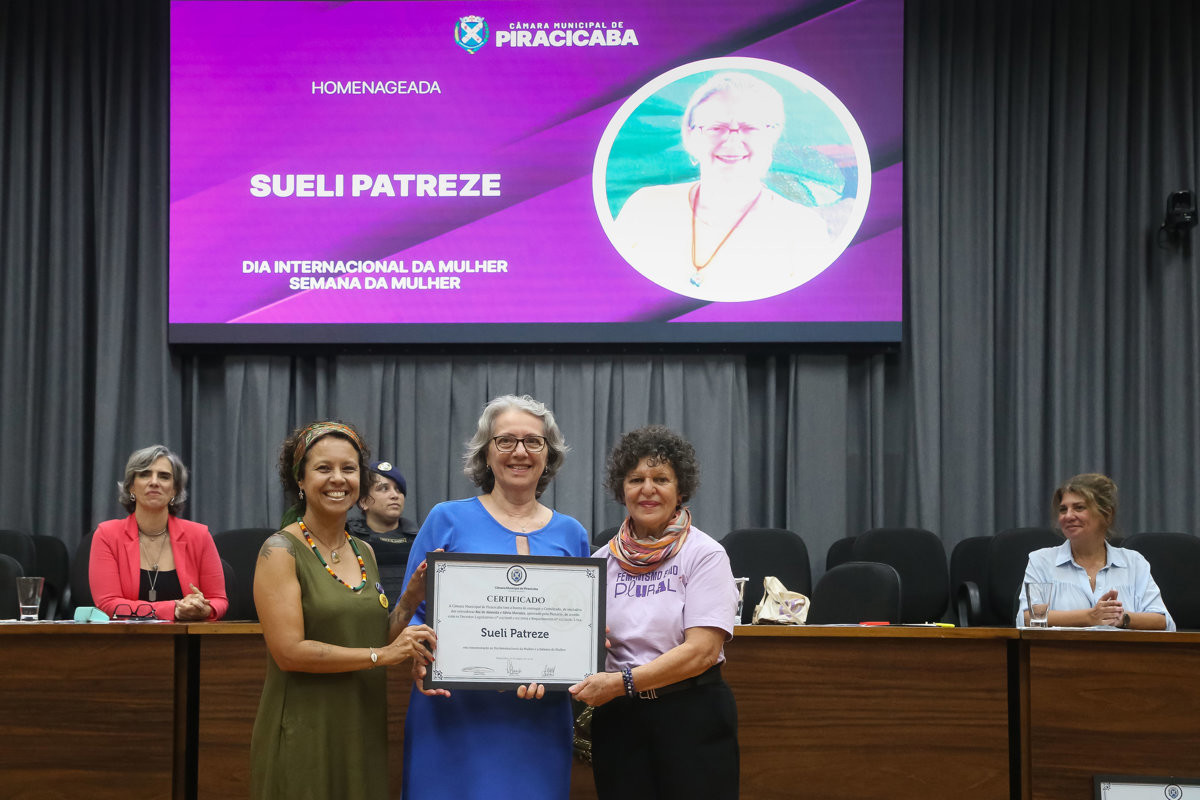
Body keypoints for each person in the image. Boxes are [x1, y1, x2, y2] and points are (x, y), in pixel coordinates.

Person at [399, 395, 590, 800]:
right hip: (452, 714)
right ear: (486, 453)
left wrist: (583, 650)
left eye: (533, 442)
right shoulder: (445, 519)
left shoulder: (572, 533)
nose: (519, 452)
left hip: (536, 719)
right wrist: (419, 657)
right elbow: (410, 616)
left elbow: (576, 626)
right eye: (505, 441)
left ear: (547, 456)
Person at [250, 421, 437, 800]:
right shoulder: (280, 551)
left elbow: (373, 637)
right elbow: (289, 652)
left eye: (349, 469)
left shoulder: (363, 551)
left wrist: (410, 601)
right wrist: (381, 656)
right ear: (299, 480)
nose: (338, 479)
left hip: (360, 726)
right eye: (324, 468)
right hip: (306, 730)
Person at [569, 425, 739, 800]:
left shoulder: (705, 555)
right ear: (621, 489)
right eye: (636, 479)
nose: (647, 489)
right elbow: (582, 640)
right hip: (619, 720)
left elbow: (702, 651)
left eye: (660, 478)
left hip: (691, 714)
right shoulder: (599, 562)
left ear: (680, 490)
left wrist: (622, 682)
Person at [613, 71, 833, 303]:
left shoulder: (804, 231)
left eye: (751, 127)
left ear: (773, 136)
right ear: (690, 136)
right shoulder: (644, 208)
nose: (732, 140)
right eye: (716, 127)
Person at [1017, 473, 1174, 630]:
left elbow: (1162, 622)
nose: (1068, 516)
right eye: (1063, 509)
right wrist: (1090, 617)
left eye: (1079, 508)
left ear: (1107, 514)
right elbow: (1026, 618)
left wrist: (1122, 618)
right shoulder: (1041, 560)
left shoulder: (1134, 563)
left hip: (1123, 653)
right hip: (1060, 653)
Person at [89, 444, 227, 621]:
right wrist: (174, 609)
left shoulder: (199, 535)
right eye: (145, 474)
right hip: (124, 641)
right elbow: (109, 605)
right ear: (131, 487)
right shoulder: (107, 535)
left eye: (164, 476)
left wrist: (203, 609)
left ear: (174, 491)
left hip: (187, 642)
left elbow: (219, 600)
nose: (154, 482)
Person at [347, 460, 418, 601]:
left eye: (398, 489)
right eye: (384, 488)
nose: (395, 495)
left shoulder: (418, 539)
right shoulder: (347, 538)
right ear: (363, 502)